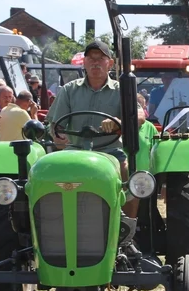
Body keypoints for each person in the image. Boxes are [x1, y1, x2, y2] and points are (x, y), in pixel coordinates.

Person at [47, 39, 146, 218]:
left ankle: (127, 229)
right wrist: (57, 135)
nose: (95, 62)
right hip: (74, 151)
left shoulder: (121, 90)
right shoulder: (69, 90)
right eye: (91, 58)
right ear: (84, 62)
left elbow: (140, 116)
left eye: (100, 58)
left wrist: (118, 122)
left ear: (110, 63)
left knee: (127, 175)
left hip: (110, 152)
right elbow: (56, 124)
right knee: (47, 175)